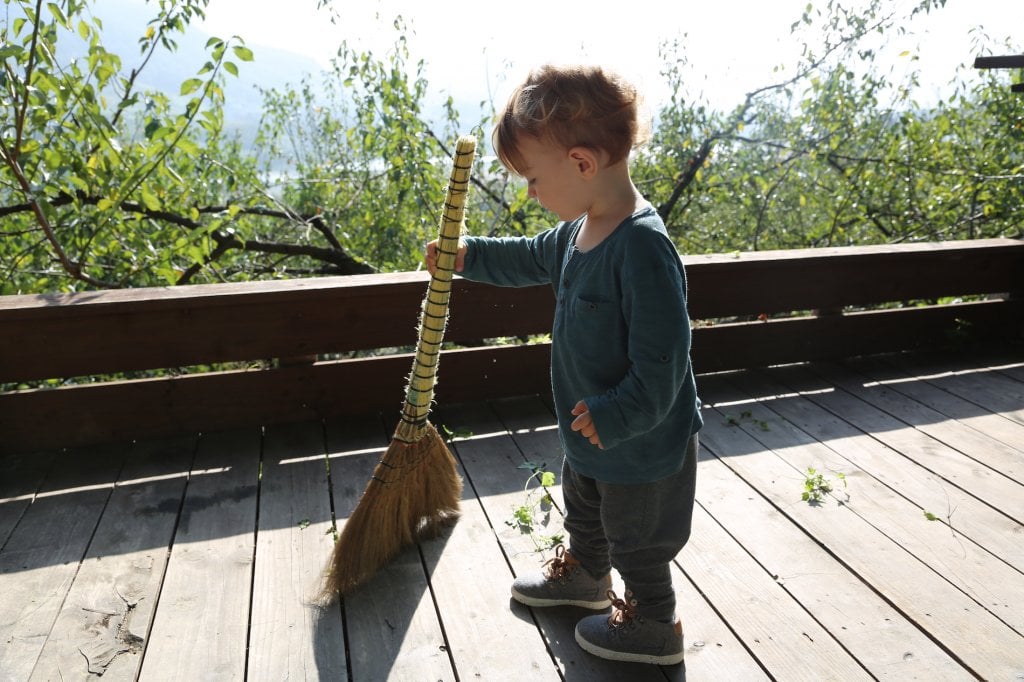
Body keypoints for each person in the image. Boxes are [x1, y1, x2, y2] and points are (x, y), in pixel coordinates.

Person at [425, 64, 701, 666]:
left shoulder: (642, 248)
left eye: (531, 178)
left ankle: (655, 624)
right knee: (586, 506)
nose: (529, 192)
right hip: (592, 427)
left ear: (581, 163)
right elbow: (527, 258)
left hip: (642, 440)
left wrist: (617, 414)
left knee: (638, 537)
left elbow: (664, 364)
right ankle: (586, 578)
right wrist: (469, 256)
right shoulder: (578, 232)